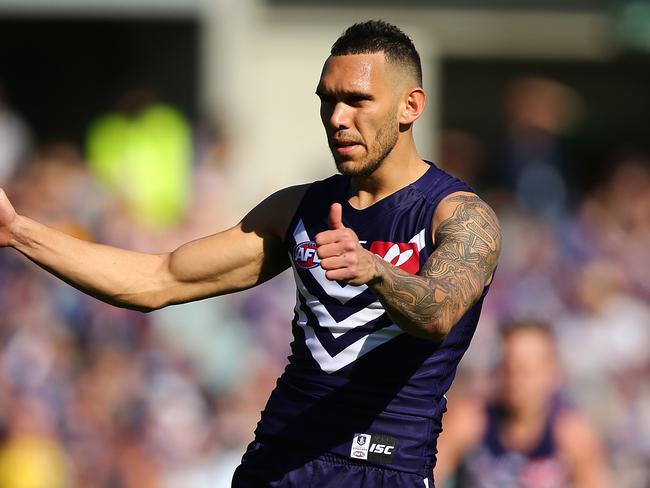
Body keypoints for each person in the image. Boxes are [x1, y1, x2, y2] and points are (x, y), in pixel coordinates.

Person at [0, 20, 501, 487]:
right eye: (327, 100)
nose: (337, 118)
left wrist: (375, 270)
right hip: (278, 459)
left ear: (410, 106)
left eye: (357, 100)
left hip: (383, 467)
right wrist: (20, 231)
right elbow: (157, 279)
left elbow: (438, 310)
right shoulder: (298, 209)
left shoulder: (457, 216)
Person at [434, 321, 611, 488]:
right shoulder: (470, 420)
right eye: (509, 369)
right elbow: (427, 475)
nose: (516, 380)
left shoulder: (573, 435)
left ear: (554, 373)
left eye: (527, 371)